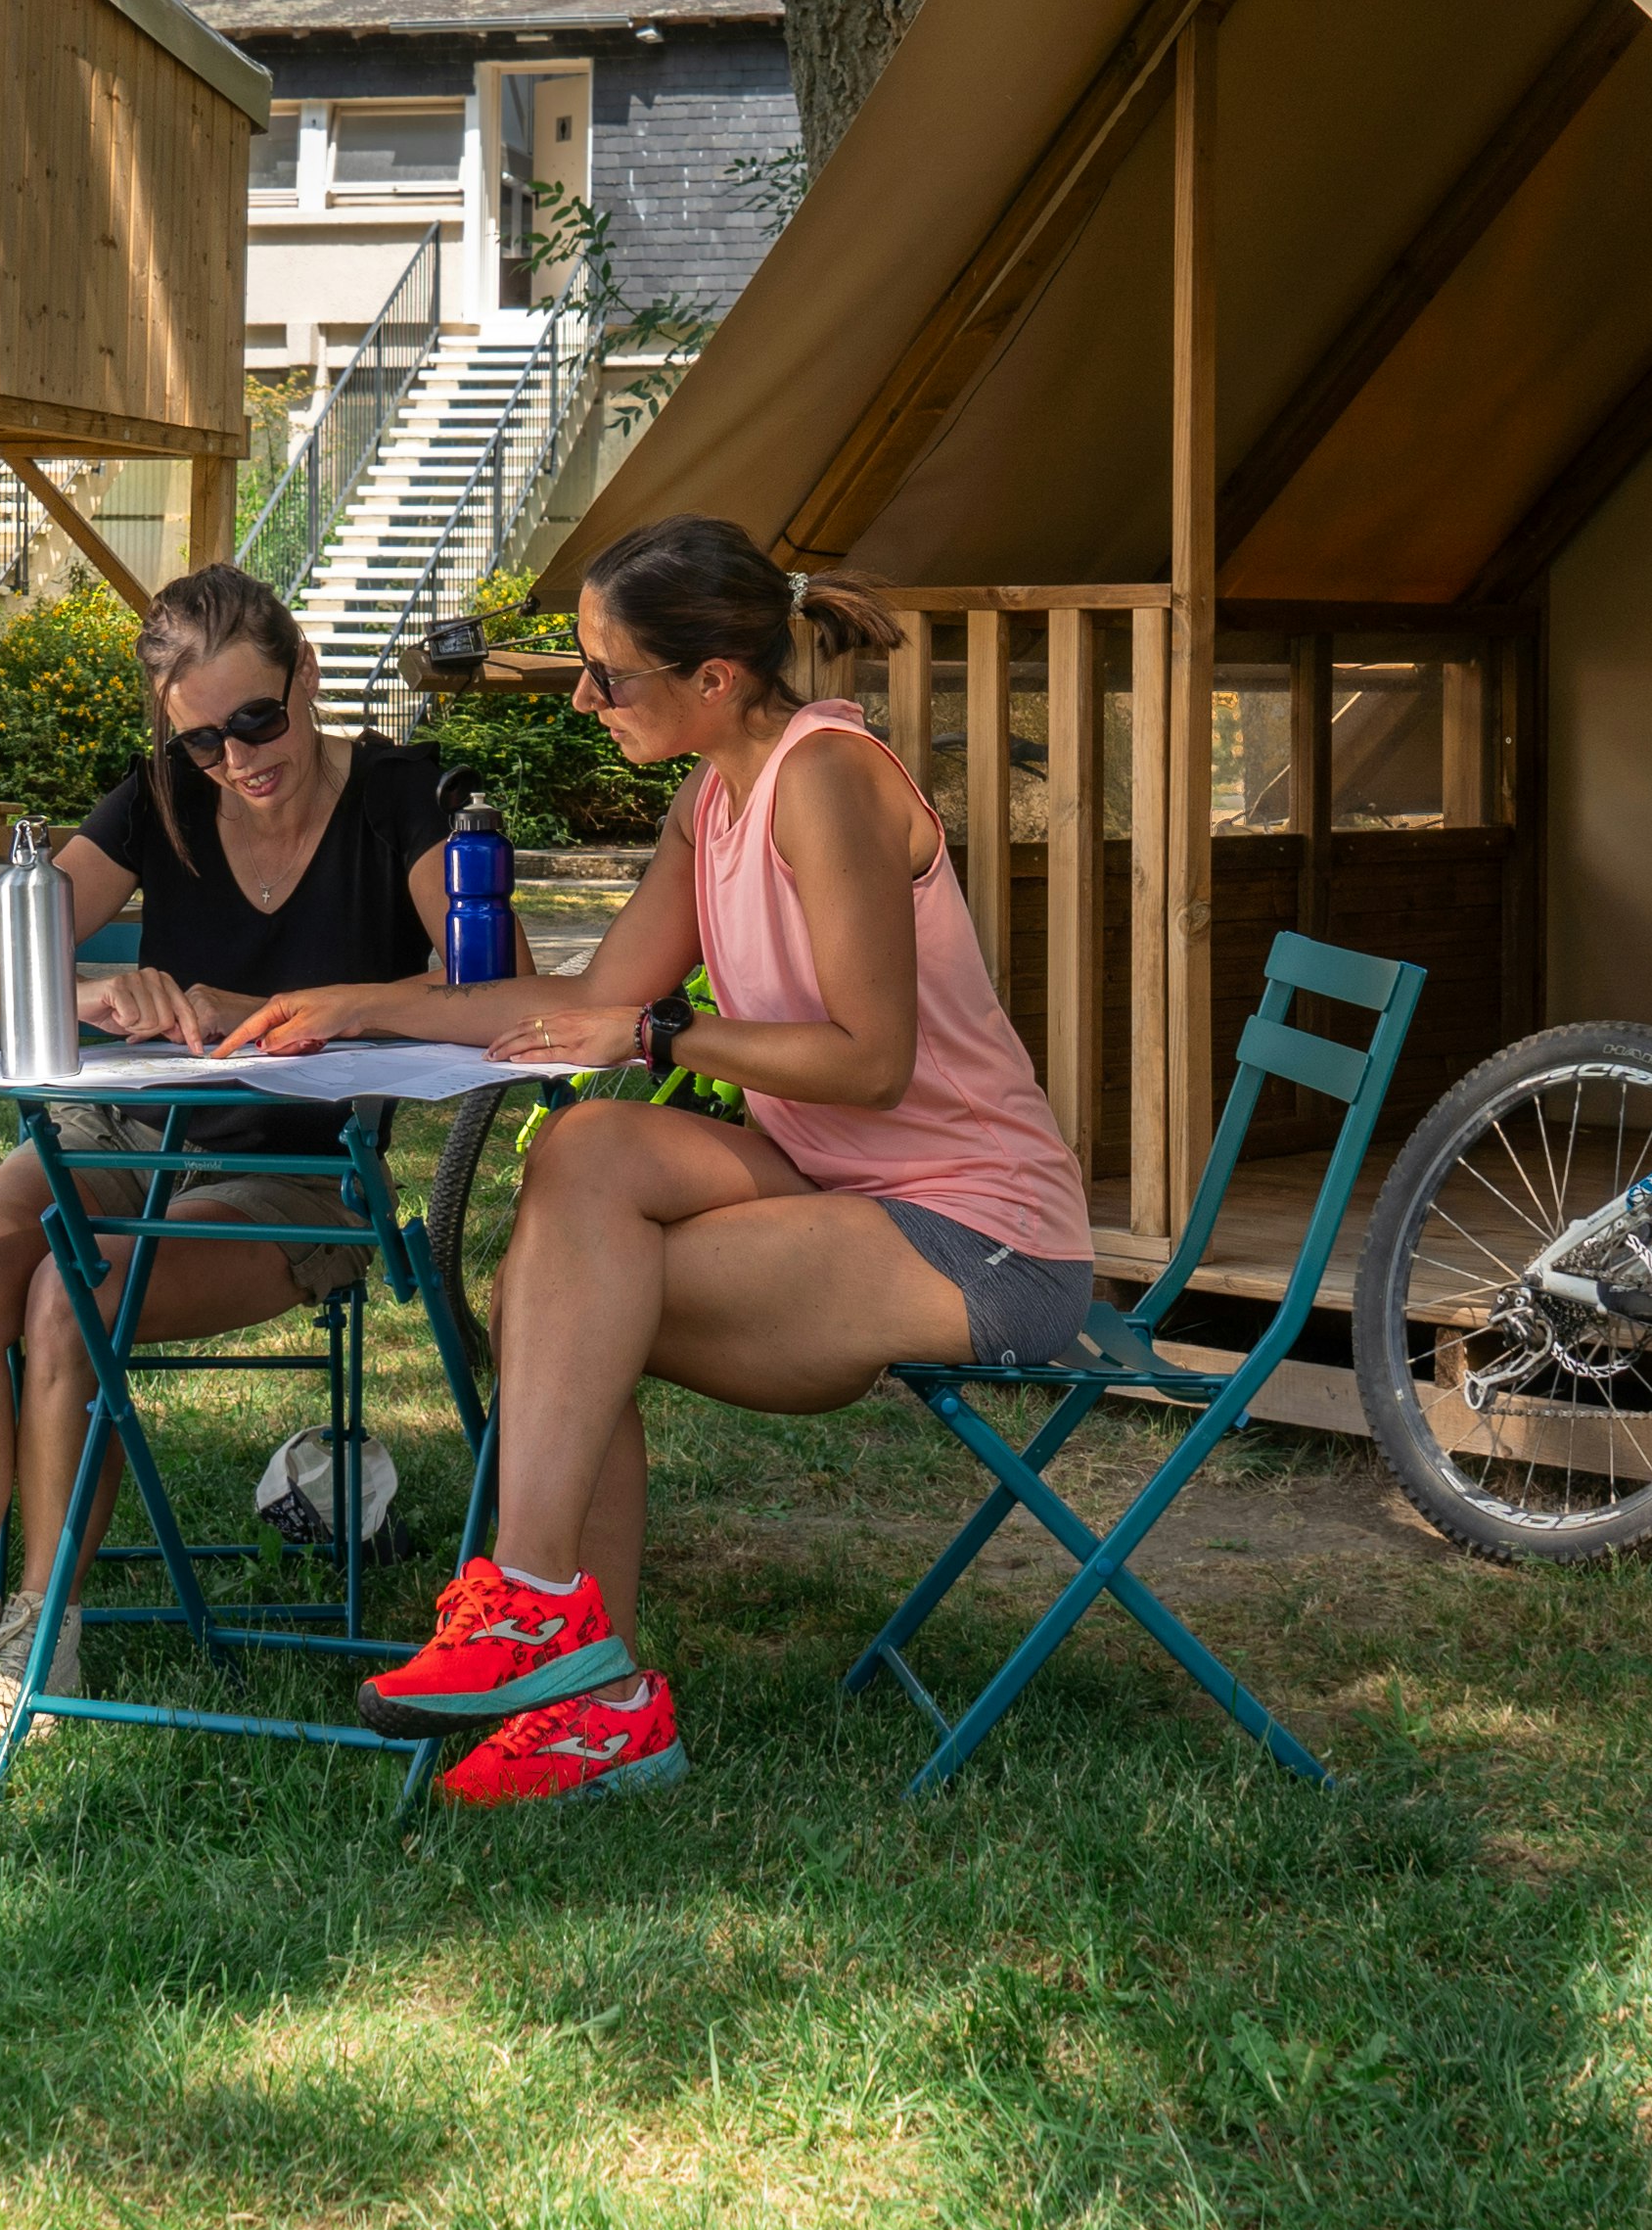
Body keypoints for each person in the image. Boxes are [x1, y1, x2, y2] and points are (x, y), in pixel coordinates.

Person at [221, 514, 1092, 1809]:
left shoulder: (825, 779)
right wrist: (364, 1002)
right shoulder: (712, 798)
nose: (581, 698)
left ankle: (567, 1666)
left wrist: (656, 1029)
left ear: (712, 680)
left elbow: (869, 1062)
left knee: (557, 1307)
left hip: (983, 1233)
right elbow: (579, 995)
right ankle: (561, 1646)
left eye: (606, 675)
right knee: (586, 1149)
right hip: (839, 1192)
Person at [0, 566, 519, 1747]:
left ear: (304, 673)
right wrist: (94, 981)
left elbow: (496, 984)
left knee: (75, 1291)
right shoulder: (161, 795)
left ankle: (43, 1630)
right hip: (128, 1129)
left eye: (256, 720)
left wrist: (310, 1004)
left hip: (301, 1171)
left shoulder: (401, 799)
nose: (236, 759)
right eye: (203, 741)